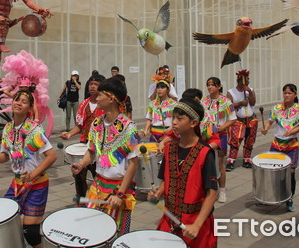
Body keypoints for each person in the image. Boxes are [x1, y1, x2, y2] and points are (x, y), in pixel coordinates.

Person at [0, 91, 56, 248]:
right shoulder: (8, 128)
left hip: (37, 184)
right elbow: (5, 155)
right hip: (17, 183)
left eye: (23, 101)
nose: (18, 103)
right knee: (5, 219)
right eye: (16, 100)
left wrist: (32, 175)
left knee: (30, 232)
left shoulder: (34, 130)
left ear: (29, 108)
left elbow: (51, 156)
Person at [71, 77, 140, 235]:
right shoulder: (96, 124)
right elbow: (91, 151)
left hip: (118, 189)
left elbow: (133, 165)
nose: (97, 97)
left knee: (115, 234)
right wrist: (81, 165)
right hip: (98, 185)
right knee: (93, 233)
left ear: (111, 98)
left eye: (101, 94)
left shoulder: (129, 128)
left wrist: (120, 194)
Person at [149, 98, 218, 248]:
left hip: (194, 224)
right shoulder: (169, 148)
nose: (174, 122)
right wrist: (158, 193)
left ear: (193, 123)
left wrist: (197, 225)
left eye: (180, 119)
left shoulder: (205, 152)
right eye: (173, 118)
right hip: (169, 219)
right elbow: (166, 179)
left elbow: (212, 193)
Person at [261, 83, 299, 212]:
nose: (287, 95)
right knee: (273, 172)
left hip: (291, 146)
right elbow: (270, 120)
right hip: (277, 145)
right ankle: (274, 195)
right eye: (285, 93)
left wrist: (291, 132)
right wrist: (266, 128)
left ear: (295, 94)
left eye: (289, 93)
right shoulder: (277, 108)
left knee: (291, 173)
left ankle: (290, 198)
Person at [60, 74, 106, 198]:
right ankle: (81, 199)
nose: (93, 86)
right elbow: (79, 126)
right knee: (79, 174)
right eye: (91, 84)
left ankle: (100, 200)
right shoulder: (83, 104)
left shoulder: (106, 105)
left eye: (96, 84)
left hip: (101, 146)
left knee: (100, 177)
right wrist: (69, 134)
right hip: (85, 144)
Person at [201, 77, 236, 203]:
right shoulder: (203, 101)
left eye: (212, 85)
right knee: (206, 163)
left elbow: (233, 119)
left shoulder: (226, 102)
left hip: (220, 136)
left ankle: (222, 191)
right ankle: (208, 189)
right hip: (206, 136)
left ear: (219, 86)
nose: (210, 87)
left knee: (220, 163)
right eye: (208, 85)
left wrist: (223, 127)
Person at [226, 69, 257, 170]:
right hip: (238, 119)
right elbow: (228, 107)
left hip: (251, 119)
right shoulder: (231, 92)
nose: (248, 80)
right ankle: (231, 161)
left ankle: (247, 159)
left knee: (250, 140)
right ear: (240, 80)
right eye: (246, 79)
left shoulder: (250, 90)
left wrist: (249, 91)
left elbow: (252, 103)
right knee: (235, 140)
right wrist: (240, 103)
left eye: (248, 79)